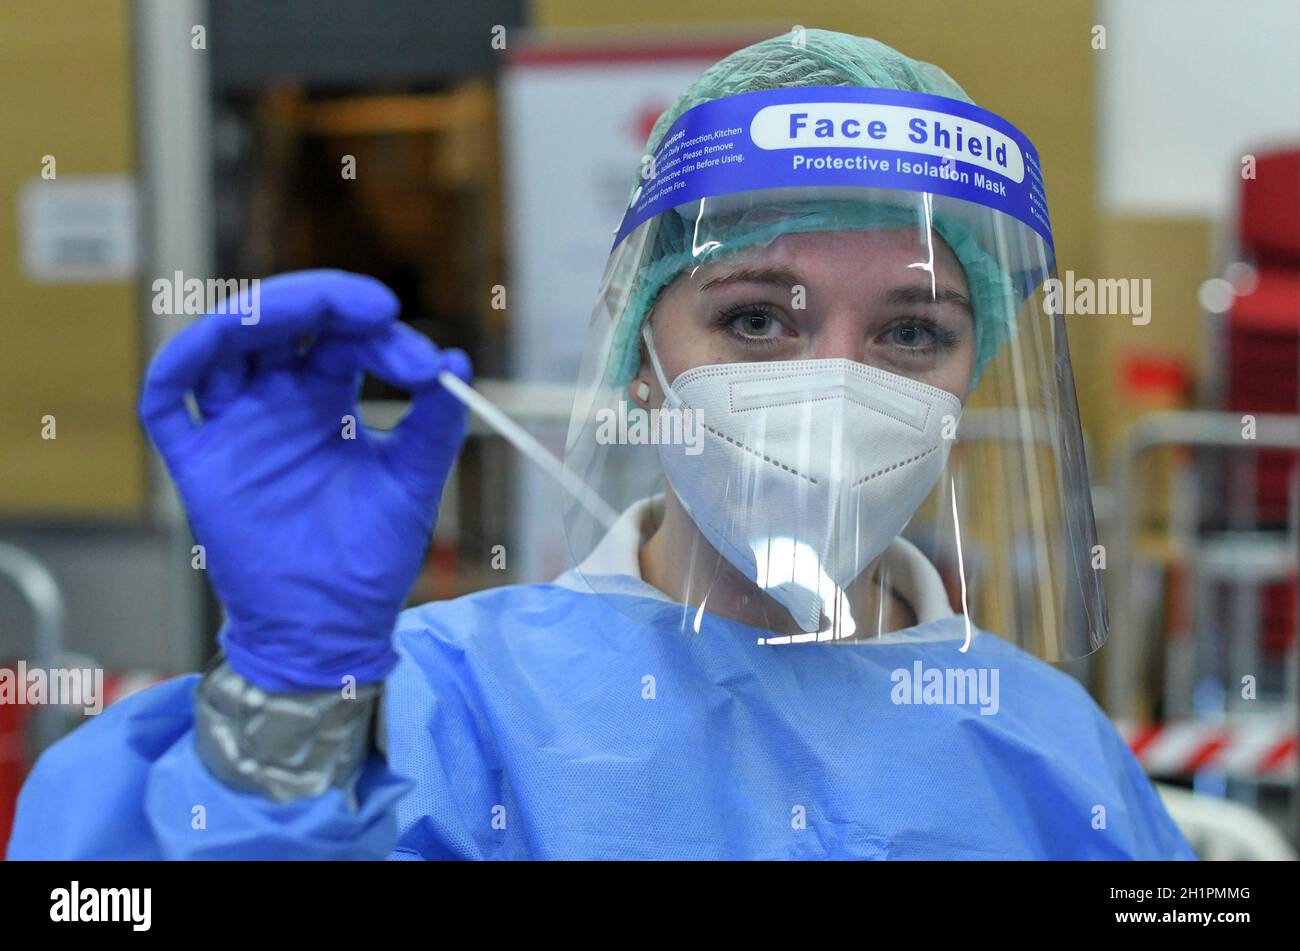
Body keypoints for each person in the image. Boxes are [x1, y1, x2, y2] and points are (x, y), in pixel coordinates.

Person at [7, 29, 1195, 860]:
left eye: (910, 330)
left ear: (967, 376)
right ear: (641, 349)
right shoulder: (439, 712)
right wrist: (290, 707)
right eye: (755, 319)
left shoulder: (1047, 743)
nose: (836, 382)